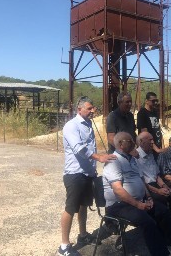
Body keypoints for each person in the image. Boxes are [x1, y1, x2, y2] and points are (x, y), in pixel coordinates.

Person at [102, 132, 171, 256]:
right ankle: (161, 253)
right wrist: (138, 204)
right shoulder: (113, 162)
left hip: (136, 200)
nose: (133, 143)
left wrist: (148, 197)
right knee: (148, 222)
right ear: (121, 144)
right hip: (119, 205)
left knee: (163, 211)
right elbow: (118, 191)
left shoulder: (131, 159)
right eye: (130, 141)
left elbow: (142, 181)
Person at [58, 97, 117, 256]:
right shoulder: (71, 126)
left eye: (93, 108)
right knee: (70, 208)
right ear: (79, 109)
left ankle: (83, 235)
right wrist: (99, 158)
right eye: (89, 109)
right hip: (74, 174)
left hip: (88, 173)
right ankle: (63, 246)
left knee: (84, 205)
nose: (93, 111)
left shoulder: (89, 124)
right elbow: (79, 148)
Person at [136, 131, 171, 206]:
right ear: (141, 141)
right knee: (161, 199)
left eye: (152, 139)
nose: (153, 142)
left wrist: (164, 186)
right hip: (146, 188)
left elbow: (156, 176)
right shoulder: (136, 157)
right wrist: (158, 191)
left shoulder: (150, 154)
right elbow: (141, 181)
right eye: (150, 140)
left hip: (155, 184)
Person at [137, 92, 164, 157]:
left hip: (157, 146)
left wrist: (161, 146)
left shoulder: (155, 112)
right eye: (153, 101)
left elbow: (158, 129)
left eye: (156, 101)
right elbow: (145, 135)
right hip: (148, 149)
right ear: (146, 101)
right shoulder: (142, 113)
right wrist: (156, 149)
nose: (155, 103)